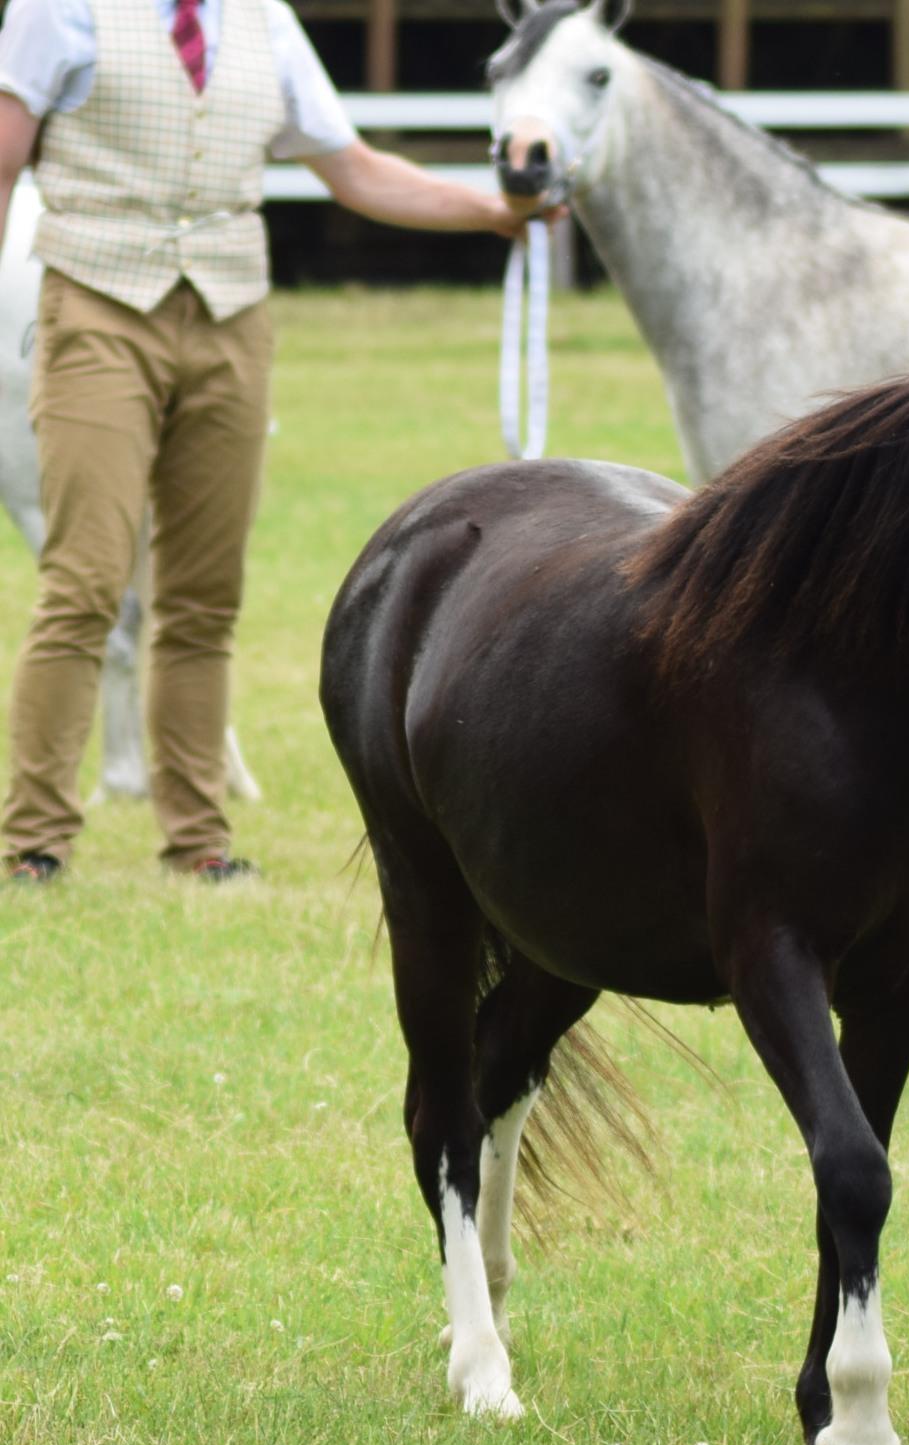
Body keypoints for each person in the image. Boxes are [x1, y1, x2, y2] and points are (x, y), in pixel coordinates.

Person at [0, 0, 546, 882]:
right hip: (97, 309)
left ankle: (198, 841)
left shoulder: (265, 22)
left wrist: (489, 213)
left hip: (231, 320)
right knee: (85, 581)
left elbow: (353, 169)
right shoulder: (58, 8)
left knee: (205, 595)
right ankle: (35, 841)